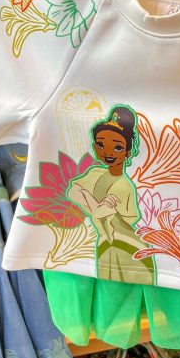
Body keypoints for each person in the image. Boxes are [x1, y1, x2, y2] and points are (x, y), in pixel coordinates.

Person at [66, 105, 154, 283]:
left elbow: (101, 213)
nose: (107, 152)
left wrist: (87, 197)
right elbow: (73, 191)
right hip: (105, 244)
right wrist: (94, 202)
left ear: (128, 151)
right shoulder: (95, 173)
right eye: (101, 145)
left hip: (126, 247)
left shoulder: (124, 185)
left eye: (118, 147)